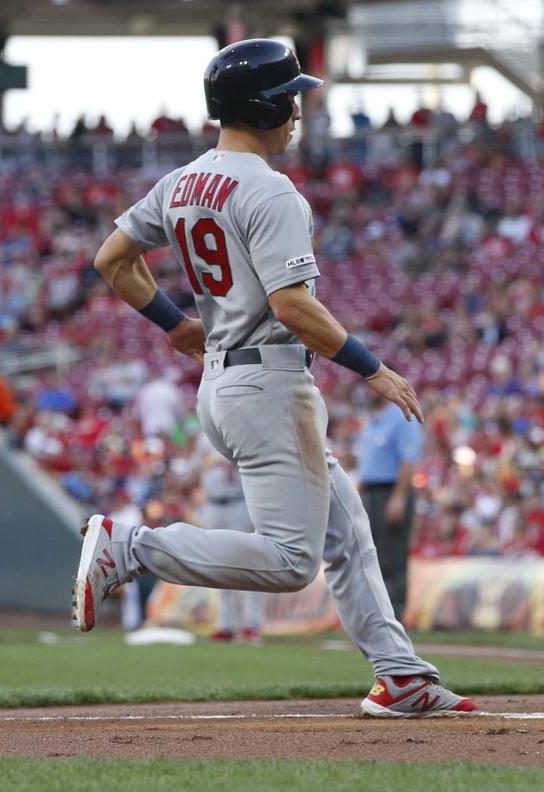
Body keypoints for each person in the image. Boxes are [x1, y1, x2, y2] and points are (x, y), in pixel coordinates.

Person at [73, 39, 476, 717]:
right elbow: (291, 304)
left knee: (345, 532)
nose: (298, 108)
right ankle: (132, 547)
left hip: (225, 380)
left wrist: (173, 322)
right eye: (290, 96)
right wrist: (373, 369)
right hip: (267, 385)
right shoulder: (270, 190)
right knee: (292, 561)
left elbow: (112, 259)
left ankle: (399, 671)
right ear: (261, 104)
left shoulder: (182, 181)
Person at [357, 391, 424, 618]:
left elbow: (408, 460)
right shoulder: (374, 420)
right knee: (373, 554)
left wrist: (399, 496)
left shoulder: (400, 417)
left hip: (392, 491)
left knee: (392, 556)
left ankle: (394, 615)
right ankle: (376, 614)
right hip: (372, 493)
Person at [197, 435, 264, 644]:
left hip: (239, 503)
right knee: (219, 565)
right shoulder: (203, 437)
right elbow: (196, 468)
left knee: (248, 562)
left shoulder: (239, 429)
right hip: (213, 505)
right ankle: (225, 624)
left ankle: (252, 623)